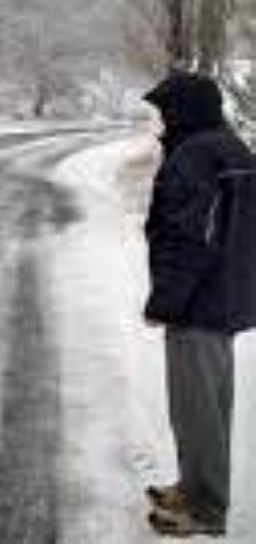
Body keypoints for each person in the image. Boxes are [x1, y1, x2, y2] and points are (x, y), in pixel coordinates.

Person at [142, 70, 256, 538]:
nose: (162, 122)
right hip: (224, 297)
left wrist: (165, 301)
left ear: (184, 111)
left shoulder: (194, 156)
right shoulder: (232, 149)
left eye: (166, 111)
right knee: (207, 407)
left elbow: (189, 239)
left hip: (198, 306)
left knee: (197, 412)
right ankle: (193, 486)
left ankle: (206, 508)